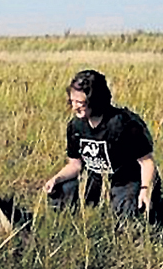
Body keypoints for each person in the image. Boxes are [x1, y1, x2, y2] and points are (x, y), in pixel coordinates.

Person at [44, 69, 161, 221]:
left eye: (80, 103)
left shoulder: (125, 124)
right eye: (72, 101)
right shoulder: (75, 127)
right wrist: (56, 178)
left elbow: (147, 161)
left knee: (127, 213)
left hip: (126, 181)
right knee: (60, 190)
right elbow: (75, 165)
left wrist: (145, 190)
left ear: (95, 100)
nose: (74, 107)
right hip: (96, 181)